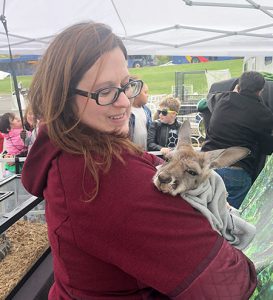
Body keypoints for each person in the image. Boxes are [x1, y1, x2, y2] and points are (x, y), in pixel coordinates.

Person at [21, 22, 257, 299]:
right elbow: (229, 284)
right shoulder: (102, 175)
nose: (124, 102)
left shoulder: (73, 149)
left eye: (125, 85)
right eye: (104, 91)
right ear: (64, 97)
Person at [201, 71, 273, 209]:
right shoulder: (264, 113)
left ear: (238, 87)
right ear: (260, 90)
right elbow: (267, 148)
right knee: (231, 222)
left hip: (207, 167)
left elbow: (206, 102)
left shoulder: (222, 99)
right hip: (237, 171)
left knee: (205, 216)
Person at [129, 78, 152, 150]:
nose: (148, 95)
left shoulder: (147, 110)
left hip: (145, 150)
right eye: (145, 92)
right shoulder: (127, 111)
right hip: (131, 151)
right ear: (136, 93)